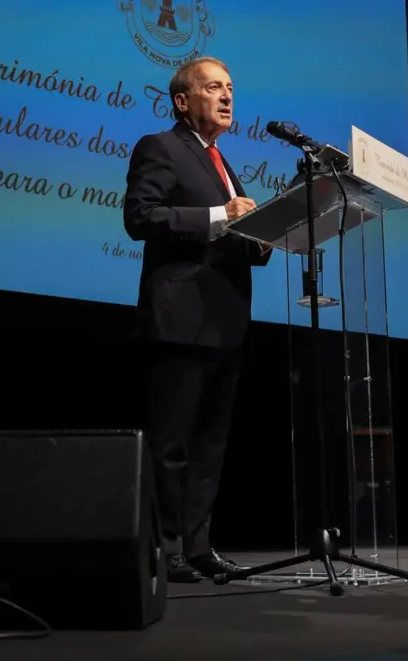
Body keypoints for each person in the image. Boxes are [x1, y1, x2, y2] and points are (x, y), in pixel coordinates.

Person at [122, 56, 272, 583]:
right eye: (214, 87)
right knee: (171, 444)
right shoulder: (161, 147)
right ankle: (163, 550)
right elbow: (140, 217)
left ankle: (199, 548)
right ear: (183, 101)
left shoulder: (223, 163)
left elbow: (236, 234)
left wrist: (265, 234)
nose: (228, 96)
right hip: (181, 317)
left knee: (210, 446)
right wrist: (220, 216)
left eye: (231, 87)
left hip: (226, 319)